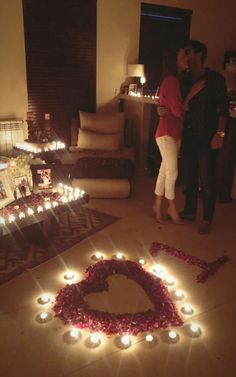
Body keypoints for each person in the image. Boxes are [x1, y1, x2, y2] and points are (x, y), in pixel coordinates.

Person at [179, 40, 229, 234]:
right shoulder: (184, 78)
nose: (185, 56)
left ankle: (207, 218)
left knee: (207, 179)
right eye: (184, 53)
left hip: (207, 137)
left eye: (188, 52)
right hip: (189, 135)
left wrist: (220, 133)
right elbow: (180, 106)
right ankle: (190, 211)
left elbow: (223, 110)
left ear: (199, 55)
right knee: (190, 176)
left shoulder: (215, 79)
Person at [153, 47, 204, 224]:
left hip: (172, 132)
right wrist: (190, 96)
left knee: (165, 170)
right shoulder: (172, 80)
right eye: (182, 55)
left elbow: (168, 105)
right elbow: (176, 110)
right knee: (172, 172)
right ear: (174, 60)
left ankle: (157, 205)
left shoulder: (175, 80)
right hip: (167, 132)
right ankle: (171, 207)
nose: (185, 58)